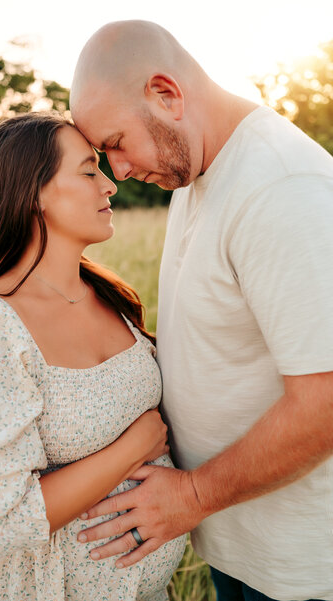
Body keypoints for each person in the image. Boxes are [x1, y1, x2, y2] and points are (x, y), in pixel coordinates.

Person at [68, 19, 333, 601]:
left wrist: (191, 497)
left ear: (167, 94)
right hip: (238, 542)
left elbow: (326, 401)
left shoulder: (283, 190)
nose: (119, 171)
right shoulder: (198, 171)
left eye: (114, 143)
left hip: (297, 571)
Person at [0, 111, 187, 601]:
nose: (109, 186)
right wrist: (134, 446)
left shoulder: (109, 296)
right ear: (32, 193)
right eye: (89, 170)